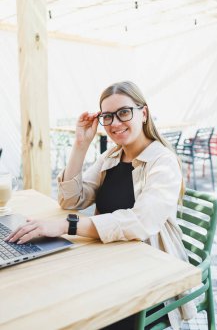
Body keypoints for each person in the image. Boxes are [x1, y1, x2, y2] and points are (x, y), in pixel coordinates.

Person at [6, 81, 196, 329]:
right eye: (107, 116)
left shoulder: (163, 162)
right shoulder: (113, 156)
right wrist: (81, 145)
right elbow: (72, 199)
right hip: (110, 260)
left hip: (149, 277)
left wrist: (66, 226)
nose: (115, 123)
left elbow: (140, 222)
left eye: (124, 112)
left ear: (144, 113)